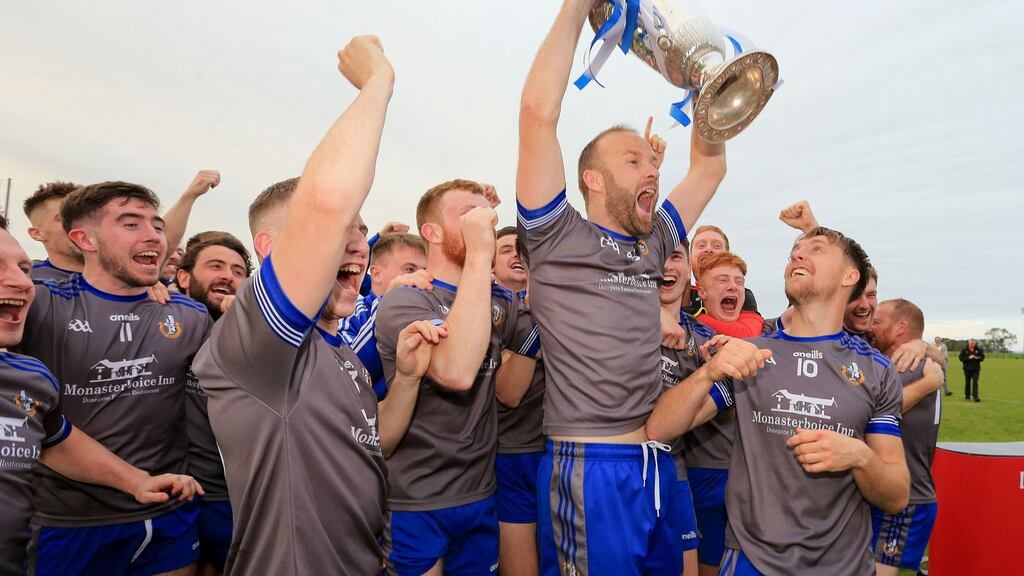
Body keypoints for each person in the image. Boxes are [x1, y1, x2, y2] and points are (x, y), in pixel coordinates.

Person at [193, 37, 446, 575]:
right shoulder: (257, 347)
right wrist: (378, 81)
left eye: (362, 231)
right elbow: (326, 203)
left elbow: (375, 440)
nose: (357, 243)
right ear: (269, 249)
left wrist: (404, 380)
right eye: (342, 232)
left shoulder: (340, 354)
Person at [517, 0, 726, 571]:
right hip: (590, 465)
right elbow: (537, 112)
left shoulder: (654, 240)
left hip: (658, 459)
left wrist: (710, 86)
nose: (652, 170)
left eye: (651, 164)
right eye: (633, 161)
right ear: (592, 178)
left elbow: (708, 170)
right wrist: (574, 8)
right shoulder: (556, 236)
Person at [648, 227, 910, 575]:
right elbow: (658, 429)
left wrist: (860, 456)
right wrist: (707, 374)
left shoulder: (875, 369)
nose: (797, 255)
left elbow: (897, 495)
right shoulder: (752, 354)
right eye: (794, 251)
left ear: (850, 276)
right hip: (751, 562)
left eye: (815, 249)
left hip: (844, 566)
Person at [16, 181, 215, 575]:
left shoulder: (189, 316)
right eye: (130, 224)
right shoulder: (42, 305)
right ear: (83, 239)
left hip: (170, 510)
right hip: (70, 520)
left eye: (157, 226)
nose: (153, 236)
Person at [375, 180, 532, 574]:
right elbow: (456, 371)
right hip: (418, 500)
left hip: (481, 494)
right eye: (468, 215)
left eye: (486, 215)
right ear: (432, 232)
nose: (484, 223)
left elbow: (552, 318)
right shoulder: (407, 298)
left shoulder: (498, 300)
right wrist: (482, 255)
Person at [175, 233, 253, 575]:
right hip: (173, 494)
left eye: (238, 270)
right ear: (182, 276)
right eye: (215, 266)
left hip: (235, 499)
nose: (228, 276)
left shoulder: (258, 335)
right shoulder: (163, 322)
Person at [869, 298, 945, 576]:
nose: (871, 326)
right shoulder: (915, 359)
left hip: (905, 499)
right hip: (899, 492)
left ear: (901, 328)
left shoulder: (908, 365)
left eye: (878, 321)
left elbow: (875, 408)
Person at [492, 226, 545, 576]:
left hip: (561, 452)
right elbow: (509, 392)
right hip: (511, 454)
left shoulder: (557, 305)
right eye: (506, 249)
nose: (516, 255)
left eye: (522, 249)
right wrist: (539, 332)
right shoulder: (481, 308)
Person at [659, 240, 712, 576]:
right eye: (658, 256)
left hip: (672, 469)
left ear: (689, 268)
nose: (667, 266)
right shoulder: (612, 321)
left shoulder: (705, 338)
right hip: (615, 472)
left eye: (676, 256)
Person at [341, 232, 427, 399]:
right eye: (409, 269)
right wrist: (388, 305)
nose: (419, 276)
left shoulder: (428, 310)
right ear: (377, 274)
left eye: (425, 270)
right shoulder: (352, 314)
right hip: (372, 420)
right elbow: (348, 370)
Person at [683, 225, 759, 316]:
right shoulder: (673, 292)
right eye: (701, 245)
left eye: (717, 246)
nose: (708, 250)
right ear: (689, 257)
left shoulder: (739, 295)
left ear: (727, 257)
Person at [22, 181, 84, 281]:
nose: (81, 225)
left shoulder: (116, 277)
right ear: (37, 234)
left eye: (85, 217)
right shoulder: (26, 280)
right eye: (66, 218)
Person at [692, 251, 763, 337]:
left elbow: (748, 334)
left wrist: (695, 320)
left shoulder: (751, 317)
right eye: (723, 280)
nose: (733, 286)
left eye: (739, 282)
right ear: (702, 293)